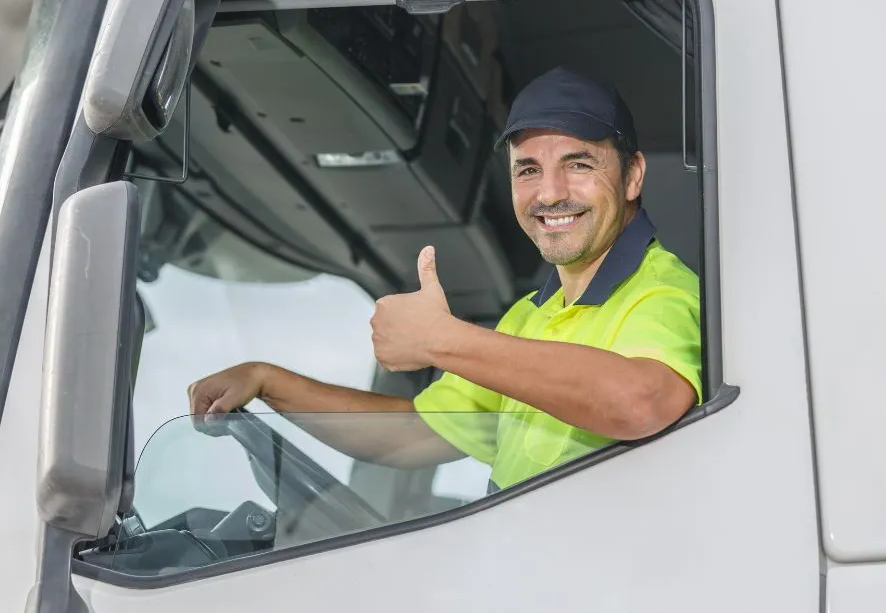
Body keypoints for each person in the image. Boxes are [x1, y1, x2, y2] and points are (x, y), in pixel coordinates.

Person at [188, 67, 703, 491]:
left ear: (633, 175)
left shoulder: (662, 291)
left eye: (579, 163)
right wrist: (268, 379)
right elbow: (411, 436)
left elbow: (643, 402)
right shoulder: (527, 317)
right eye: (527, 170)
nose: (549, 194)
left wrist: (441, 340)